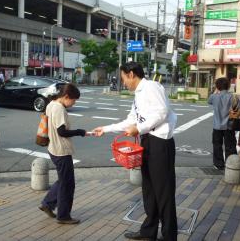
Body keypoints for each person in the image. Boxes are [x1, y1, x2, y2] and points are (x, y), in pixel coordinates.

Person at [93, 62, 177, 241]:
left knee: (164, 192)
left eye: (123, 78)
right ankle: (149, 231)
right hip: (147, 141)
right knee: (149, 189)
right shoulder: (137, 95)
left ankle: (170, 236)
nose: (123, 82)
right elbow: (131, 120)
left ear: (131, 74)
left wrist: (139, 128)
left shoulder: (151, 87)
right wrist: (106, 129)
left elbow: (162, 112)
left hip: (161, 144)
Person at [39, 83, 87, 224]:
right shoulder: (59, 108)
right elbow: (62, 132)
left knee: (63, 180)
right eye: (73, 100)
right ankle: (63, 216)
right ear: (66, 97)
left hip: (53, 148)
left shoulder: (51, 104)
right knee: (67, 184)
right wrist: (80, 132)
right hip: (61, 150)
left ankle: (47, 203)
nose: (74, 103)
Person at [208, 77, 237, 170]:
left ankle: (218, 164)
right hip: (229, 125)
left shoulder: (214, 97)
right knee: (230, 146)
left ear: (217, 86)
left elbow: (209, 101)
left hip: (217, 126)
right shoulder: (232, 97)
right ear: (228, 86)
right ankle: (230, 164)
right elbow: (238, 107)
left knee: (217, 145)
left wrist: (216, 91)